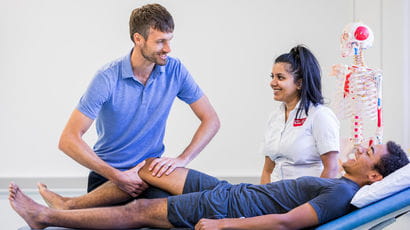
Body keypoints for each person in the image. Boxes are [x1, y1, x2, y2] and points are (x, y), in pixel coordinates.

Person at [9, 141, 409, 229]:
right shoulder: (337, 182)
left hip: (229, 209)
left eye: (369, 151)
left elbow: (287, 223)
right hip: (231, 190)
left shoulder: (341, 193)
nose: (360, 146)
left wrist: (223, 225)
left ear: (375, 176)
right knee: (150, 169)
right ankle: (70, 203)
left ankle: (46, 216)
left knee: (139, 209)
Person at [58, 3, 220, 197]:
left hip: (149, 175)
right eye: (160, 41)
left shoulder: (175, 70)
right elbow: (68, 140)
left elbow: (211, 120)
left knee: (165, 217)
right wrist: (117, 176)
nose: (168, 49)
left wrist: (182, 159)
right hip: (107, 176)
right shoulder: (107, 77)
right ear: (138, 39)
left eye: (169, 40)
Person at [260, 45, 340, 184]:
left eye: (280, 77)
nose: (272, 83)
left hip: (303, 197)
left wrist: (312, 204)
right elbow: (267, 170)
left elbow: (331, 169)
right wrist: (261, 200)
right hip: (273, 196)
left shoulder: (320, 115)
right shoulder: (275, 117)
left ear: (299, 83)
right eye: (272, 76)